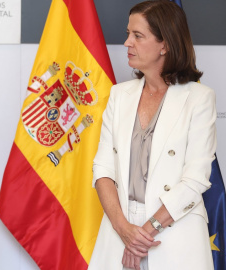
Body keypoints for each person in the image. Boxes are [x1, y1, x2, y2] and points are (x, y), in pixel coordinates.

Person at [88, 1, 216, 270]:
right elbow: (102, 170)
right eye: (127, 34)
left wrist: (143, 235)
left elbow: (195, 180)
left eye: (137, 35)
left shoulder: (199, 99)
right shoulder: (119, 95)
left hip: (173, 231)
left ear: (165, 44)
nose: (126, 43)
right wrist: (124, 230)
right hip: (119, 230)